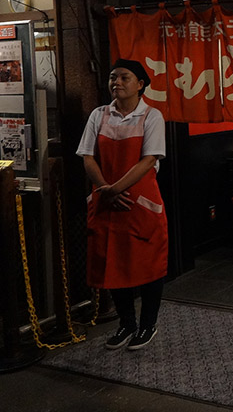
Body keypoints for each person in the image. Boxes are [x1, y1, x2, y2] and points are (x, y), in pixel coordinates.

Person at [76, 59, 168, 351]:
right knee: (112, 264)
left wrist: (115, 189)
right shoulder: (99, 115)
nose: (116, 82)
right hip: (107, 199)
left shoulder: (151, 116)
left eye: (124, 77)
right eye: (112, 77)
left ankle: (147, 325)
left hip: (139, 202)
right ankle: (126, 323)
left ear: (140, 84)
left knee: (148, 265)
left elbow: (149, 159)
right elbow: (87, 156)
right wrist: (107, 191)